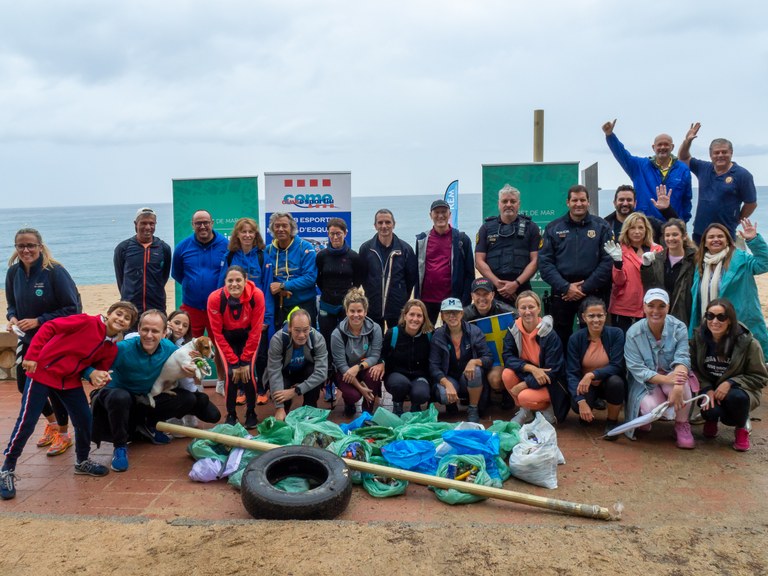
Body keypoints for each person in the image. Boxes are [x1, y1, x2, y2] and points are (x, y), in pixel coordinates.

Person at [1, 302, 138, 500]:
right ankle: (7, 469)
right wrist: (32, 356)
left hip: (69, 381)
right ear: (109, 314)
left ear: (128, 326)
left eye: (127, 319)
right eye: (119, 314)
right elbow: (50, 327)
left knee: (84, 420)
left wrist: (98, 377)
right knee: (27, 423)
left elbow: (95, 372)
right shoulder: (86, 321)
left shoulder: (111, 348)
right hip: (43, 371)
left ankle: (82, 461)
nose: (121, 319)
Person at [89, 309, 221, 473]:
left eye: (155, 331)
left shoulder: (170, 348)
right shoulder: (123, 348)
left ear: (165, 332)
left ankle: (148, 427)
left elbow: (189, 374)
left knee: (188, 399)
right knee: (120, 396)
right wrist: (92, 374)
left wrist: (193, 370)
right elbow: (90, 360)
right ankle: (120, 447)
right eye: (145, 329)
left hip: (145, 398)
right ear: (138, 329)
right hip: (117, 397)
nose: (149, 335)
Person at [5, 228, 80, 457]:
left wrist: (39, 320)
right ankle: (53, 423)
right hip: (27, 339)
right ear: (16, 249)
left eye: (30, 245)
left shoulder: (54, 272)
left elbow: (72, 309)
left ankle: (65, 434)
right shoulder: (13, 273)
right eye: (21, 246)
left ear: (40, 246)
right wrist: (13, 318)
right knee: (22, 385)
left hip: (54, 341)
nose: (26, 250)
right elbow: (11, 305)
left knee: (54, 389)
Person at [538, 185, 613, 351]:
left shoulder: (602, 227)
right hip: (562, 293)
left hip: (593, 292)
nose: (578, 203)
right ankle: (563, 376)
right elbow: (545, 263)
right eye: (575, 200)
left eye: (582, 200)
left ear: (588, 202)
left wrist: (584, 287)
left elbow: (607, 262)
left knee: (591, 336)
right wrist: (566, 287)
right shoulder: (553, 228)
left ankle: (590, 373)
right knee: (560, 336)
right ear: (568, 202)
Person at [690, 298, 767, 452]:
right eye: (710, 316)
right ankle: (711, 419)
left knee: (736, 399)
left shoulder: (748, 343)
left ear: (730, 320)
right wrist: (706, 389)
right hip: (711, 387)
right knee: (709, 407)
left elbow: (760, 377)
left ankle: (741, 427)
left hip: (738, 391)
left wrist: (731, 382)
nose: (715, 321)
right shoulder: (700, 339)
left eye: (721, 317)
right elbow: (693, 369)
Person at [624, 289, 694, 448]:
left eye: (661, 306)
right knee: (651, 408)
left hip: (673, 374)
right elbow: (636, 368)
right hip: (647, 381)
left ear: (668, 307)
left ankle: (681, 425)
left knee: (683, 386)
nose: (656, 311)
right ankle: (645, 416)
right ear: (644, 307)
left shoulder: (679, 327)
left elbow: (683, 357)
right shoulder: (633, 333)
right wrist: (665, 379)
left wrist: (677, 385)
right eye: (651, 306)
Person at [689, 220, 768, 357]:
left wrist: (753, 240)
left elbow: (764, 263)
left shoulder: (741, 259)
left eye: (720, 236)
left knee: (741, 362)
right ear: (705, 242)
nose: (716, 239)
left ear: (728, 240)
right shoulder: (701, 264)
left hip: (739, 322)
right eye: (711, 237)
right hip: (711, 324)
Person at [218, 217, 274, 405]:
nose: (248, 235)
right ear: (237, 234)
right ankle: (241, 389)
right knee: (240, 352)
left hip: (258, 313)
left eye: (251, 232)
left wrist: (266, 316)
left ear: (255, 234)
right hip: (235, 317)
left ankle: (262, 388)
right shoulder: (230, 256)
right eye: (244, 232)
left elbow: (267, 288)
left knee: (261, 355)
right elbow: (221, 288)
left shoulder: (262, 256)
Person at [678, 123, 757, 244]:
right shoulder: (703, 168)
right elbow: (683, 158)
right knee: (698, 263)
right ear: (711, 155)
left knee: (724, 263)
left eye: (724, 152)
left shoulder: (742, 175)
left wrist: (737, 219)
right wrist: (687, 141)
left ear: (731, 153)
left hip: (725, 232)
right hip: (701, 231)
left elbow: (751, 203)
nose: (720, 155)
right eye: (716, 153)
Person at [207, 266, 266, 428]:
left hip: (248, 337)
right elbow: (217, 334)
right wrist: (234, 361)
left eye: (238, 280)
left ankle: (251, 412)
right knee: (231, 374)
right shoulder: (215, 298)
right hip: (227, 338)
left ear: (246, 280)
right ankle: (231, 413)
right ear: (224, 282)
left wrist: (245, 360)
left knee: (248, 375)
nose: (234, 284)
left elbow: (256, 331)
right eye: (230, 281)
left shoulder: (257, 295)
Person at [602, 119, 692, 222]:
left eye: (666, 144)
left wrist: (683, 223)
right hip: (645, 226)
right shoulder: (639, 166)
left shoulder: (682, 169)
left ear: (672, 147)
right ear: (653, 147)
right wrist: (610, 135)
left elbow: (687, 200)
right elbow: (621, 154)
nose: (663, 147)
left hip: (671, 227)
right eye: (659, 145)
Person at [501, 291, 568, 425]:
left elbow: (553, 370)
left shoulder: (549, 334)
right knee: (507, 374)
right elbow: (507, 357)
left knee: (523, 396)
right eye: (523, 308)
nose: (527, 311)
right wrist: (531, 369)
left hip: (550, 382)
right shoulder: (513, 330)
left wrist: (524, 384)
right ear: (518, 310)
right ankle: (526, 411)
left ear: (539, 308)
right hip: (529, 374)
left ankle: (547, 409)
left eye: (531, 307)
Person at [566, 297, 626, 437]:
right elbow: (572, 373)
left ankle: (612, 421)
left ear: (605, 316)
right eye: (591, 316)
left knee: (616, 382)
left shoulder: (616, 334)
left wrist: (591, 374)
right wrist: (580, 401)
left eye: (600, 315)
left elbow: (617, 365)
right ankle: (587, 410)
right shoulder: (575, 339)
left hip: (607, 382)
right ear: (583, 317)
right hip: (586, 385)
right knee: (576, 405)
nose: (596, 320)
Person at [475, 184, 541, 306]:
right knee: (495, 324)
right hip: (494, 290)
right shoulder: (486, 228)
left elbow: (535, 261)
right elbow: (479, 261)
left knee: (526, 322)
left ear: (518, 204)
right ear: (499, 204)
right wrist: (498, 284)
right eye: (505, 201)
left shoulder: (531, 228)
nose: (509, 204)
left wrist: (516, 284)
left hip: (522, 288)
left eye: (513, 201)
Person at [429, 297, 492, 423]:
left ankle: (473, 408)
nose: (452, 316)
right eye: (447, 313)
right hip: (449, 377)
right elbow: (433, 366)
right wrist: (447, 384)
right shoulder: (438, 335)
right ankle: (450, 403)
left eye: (456, 312)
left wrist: (474, 361)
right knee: (442, 394)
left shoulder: (474, 331)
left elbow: (488, 358)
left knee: (477, 371)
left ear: (462, 313)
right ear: (442, 315)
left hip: (467, 377)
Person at [414, 199, 475, 323]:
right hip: (426, 299)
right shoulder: (422, 239)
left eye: (444, 212)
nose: (440, 215)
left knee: (451, 336)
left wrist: (465, 301)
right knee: (426, 336)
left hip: (452, 300)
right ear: (430, 215)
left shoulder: (462, 240)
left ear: (449, 214)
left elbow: (470, 273)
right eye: (436, 212)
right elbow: (417, 271)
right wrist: (416, 299)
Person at [171, 209, 229, 337]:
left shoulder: (226, 245)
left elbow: (231, 275)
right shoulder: (182, 247)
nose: (202, 226)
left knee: (220, 346)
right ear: (192, 225)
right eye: (198, 223)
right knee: (189, 346)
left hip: (218, 307)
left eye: (206, 222)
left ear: (212, 223)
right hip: (191, 307)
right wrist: (192, 285)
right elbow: (176, 273)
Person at [372, 299, 434, 416]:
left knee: (422, 393)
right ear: (405, 316)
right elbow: (382, 353)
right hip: (396, 375)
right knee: (400, 385)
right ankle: (397, 405)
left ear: (424, 318)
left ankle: (416, 406)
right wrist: (381, 362)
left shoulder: (429, 336)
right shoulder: (393, 333)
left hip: (419, 375)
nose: (415, 319)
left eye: (419, 316)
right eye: (411, 314)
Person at [359, 209, 418, 331]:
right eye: (380, 223)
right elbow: (363, 277)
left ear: (394, 224)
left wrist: (401, 296)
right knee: (375, 342)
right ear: (375, 226)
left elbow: (411, 279)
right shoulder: (366, 249)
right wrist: (372, 291)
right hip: (373, 306)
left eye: (388, 222)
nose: (384, 226)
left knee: (396, 342)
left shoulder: (406, 249)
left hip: (397, 307)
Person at [603, 212, 663, 332]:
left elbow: (659, 279)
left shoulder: (657, 250)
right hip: (624, 308)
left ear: (646, 230)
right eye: (632, 228)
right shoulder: (619, 249)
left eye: (640, 227)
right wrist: (618, 262)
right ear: (626, 230)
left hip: (651, 307)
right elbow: (618, 282)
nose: (637, 232)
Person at [265, 309, 328, 421]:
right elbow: (274, 372)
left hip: (305, 371)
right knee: (282, 393)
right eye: (297, 330)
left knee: (313, 371)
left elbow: (322, 373)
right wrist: (279, 408)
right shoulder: (278, 340)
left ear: (310, 327)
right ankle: (284, 409)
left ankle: (309, 408)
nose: (301, 335)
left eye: (305, 330)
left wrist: (295, 391)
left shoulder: (317, 338)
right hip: (285, 373)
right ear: (289, 327)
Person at [463, 277, 517, 408]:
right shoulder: (464, 315)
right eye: (478, 294)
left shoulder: (508, 312)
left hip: (500, 360)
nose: (482, 298)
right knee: (482, 408)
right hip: (477, 358)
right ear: (472, 296)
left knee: (495, 380)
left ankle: (506, 392)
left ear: (492, 295)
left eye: (486, 294)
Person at [331, 288, 384, 417]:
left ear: (365, 312)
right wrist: (361, 389)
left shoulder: (375, 328)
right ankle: (349, 402)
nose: (356, 315)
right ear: (347, 312)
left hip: (363, 367)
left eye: (359, 311)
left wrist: (358, 367)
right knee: (354, 395)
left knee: (374, 374)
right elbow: (341, 365)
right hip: (346, 372)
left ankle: (368, 409)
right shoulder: (337, 334)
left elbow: (375, 356)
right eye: (352, 311)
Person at [113, 207, 172, 323]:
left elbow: (163, 277)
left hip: (156, 306)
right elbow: (121, 278)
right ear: (135, 224)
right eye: (143, 223)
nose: (148, 227)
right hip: (130, 307)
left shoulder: (164, 248)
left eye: (151, 223)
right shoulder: (123, 248)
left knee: (154, 338)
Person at [316, 218, 367, 350]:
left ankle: (344, 367)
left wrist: (348, 295)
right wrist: (328, 291)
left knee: (346, 337)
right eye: (332, 233)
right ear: (328, 234)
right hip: (326, 303)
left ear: (345, 233)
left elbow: (357, 280)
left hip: (346, 305)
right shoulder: (321, 256)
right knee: (326, 337)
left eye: (338, 233)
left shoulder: (353, 257)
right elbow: (319, 279)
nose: (335, 237)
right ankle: (329, 367)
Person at [264, 212, 318, 329]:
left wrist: (284, 286)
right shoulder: (267, 251)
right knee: (281, 341)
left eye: (284, 225)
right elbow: (264, 278)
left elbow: (310, 278)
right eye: (277, 226)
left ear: (292, 228)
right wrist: (278, 290)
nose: (280, 229)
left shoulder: (306, 247)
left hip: (304, 304)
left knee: (306, 340)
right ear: (272, 229)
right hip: (279, 305)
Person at [640, 218, 697, 325]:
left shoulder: (694, 259)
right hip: (660, 314)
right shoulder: (657, 259)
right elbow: (650, 287)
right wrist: (646, 267)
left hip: (684, 315)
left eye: (675, 234)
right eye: (667, 235)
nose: (671, 238)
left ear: (684, 236)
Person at [163, 310, 203, 430]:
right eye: (176, 323)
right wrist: (165, 334)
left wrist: (198, 364)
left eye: (185, 326)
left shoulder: (190, 346)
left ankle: (189, 412)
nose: (180, 328)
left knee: (210, 412)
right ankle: (172, 416)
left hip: (186, 386)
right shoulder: (159, 341)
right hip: (165, 386)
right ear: (168, 323)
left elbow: (198, 379)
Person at [603, 184, 678, 243]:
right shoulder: (604, 225)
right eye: (621, 200)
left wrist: (666, 210)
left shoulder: (650, 223)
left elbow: (677, 228)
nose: (625, 203)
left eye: (629, 200)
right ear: (614, 203)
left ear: (635, 203)